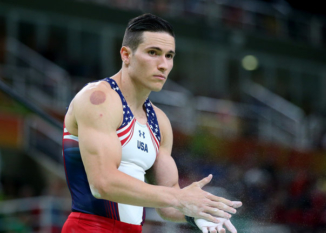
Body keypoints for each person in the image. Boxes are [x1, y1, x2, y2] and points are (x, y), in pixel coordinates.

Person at [61, 13, 242, 233]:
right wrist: (180, 198)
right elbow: (103, 183)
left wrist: (199, 215)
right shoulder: (99, 99)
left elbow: (168, 202)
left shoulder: (160, 122)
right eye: (153, 53)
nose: (163, 65)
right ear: (126, 54)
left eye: (169, 55)